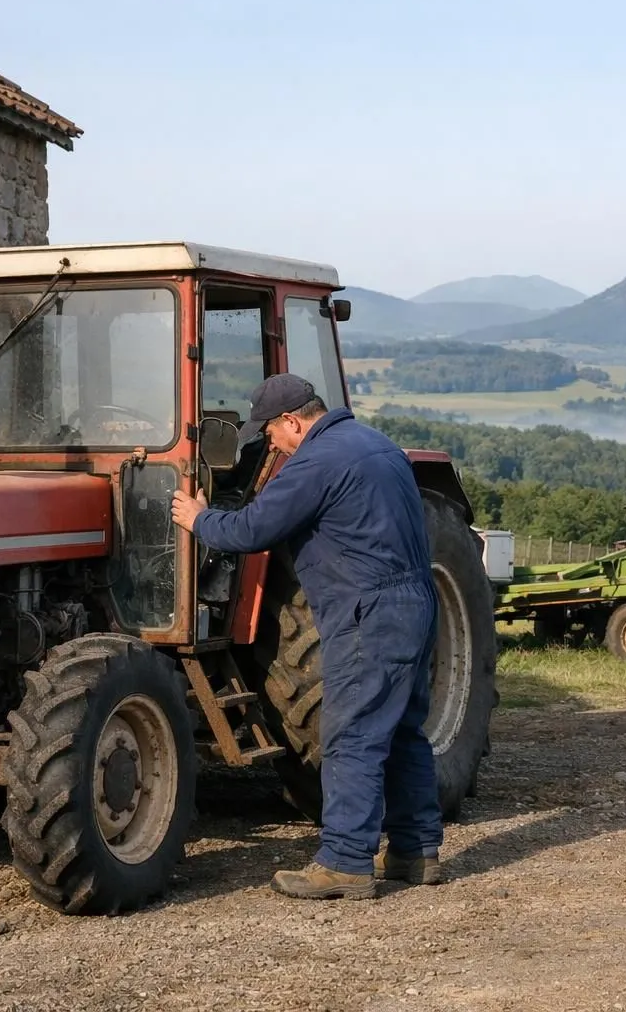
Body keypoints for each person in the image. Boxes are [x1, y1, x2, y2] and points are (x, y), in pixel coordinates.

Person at [170, 373, 443, 900]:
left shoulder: (317, 461)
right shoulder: (376, 444)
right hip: (414, 600)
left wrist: (199, 518)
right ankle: (415, 851)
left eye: (271, 433)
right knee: (404, 730)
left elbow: (251, 531)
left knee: (353, 736)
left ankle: (344, 861)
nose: (270, 444)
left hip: (367, 609)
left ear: (293, 421)